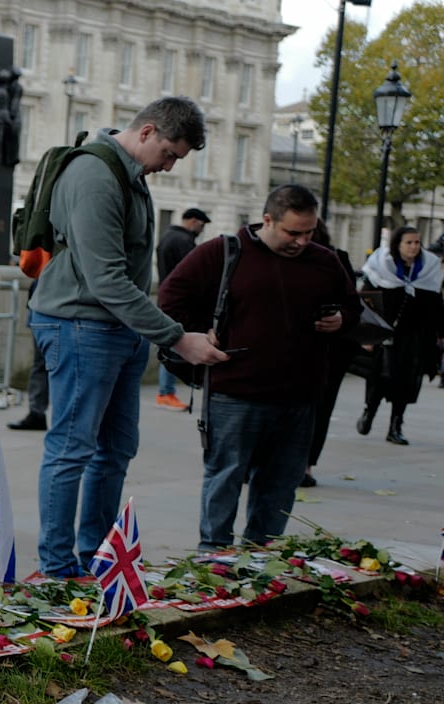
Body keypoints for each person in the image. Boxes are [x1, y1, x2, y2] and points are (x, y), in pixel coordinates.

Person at [29, 96, 227, 578]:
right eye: (171, 154)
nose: (170, 166)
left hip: (116, 329)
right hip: (80, 326)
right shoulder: (95, 175)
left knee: (115, 449)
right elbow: (107, 280)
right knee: (72, 449)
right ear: (148, 132)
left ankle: (95, 558)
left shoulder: (130, 174)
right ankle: (57, 569)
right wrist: (178, 339)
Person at [159, 184, 357, 549]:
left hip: (299, 396)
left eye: (309, 232)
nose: (301, 241)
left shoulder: (324, 260)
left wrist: (342, 319)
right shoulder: (223, 251)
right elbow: (170, 298)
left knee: (280, 485)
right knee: (225, 478)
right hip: (236, 393)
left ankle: (262, 560)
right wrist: (198, 335)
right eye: (293, 232)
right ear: (267, 220)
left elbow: (354, 308)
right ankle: (213, 558)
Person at [355, 226, 444, 446]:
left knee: (406, 381)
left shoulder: (428, 270)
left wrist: (441, 334)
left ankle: (396, 425)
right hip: (385, 334)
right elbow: (367, 301)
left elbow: (436, 306)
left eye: (417, 242)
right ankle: (370, 411)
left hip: (413, 336)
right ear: (398, 244)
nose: (414, 246)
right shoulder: (382, 267)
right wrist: (367, 336)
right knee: (382, 377)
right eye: (409, 242)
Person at [305, 219, 360, 486]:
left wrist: (341, 317)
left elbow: (354, 306)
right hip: (283, 348)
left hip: (329, 348)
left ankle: (306, 465)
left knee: (320, 407)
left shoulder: (335, 259)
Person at [154, 207, 211, 411]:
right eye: (201, 225)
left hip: (165, 298)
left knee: (170, 343)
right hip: (181, 304)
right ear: (193, 221)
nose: (201, 230)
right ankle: (166, 392)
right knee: (176, 345)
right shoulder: (184, 241)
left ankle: (165, 392)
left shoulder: (167, 237)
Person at [7, 279, 49, 431]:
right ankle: (37, 413)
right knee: (41, 365)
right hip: (43, 300)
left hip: (49, 300)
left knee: (42, 365)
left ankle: (38, 413)